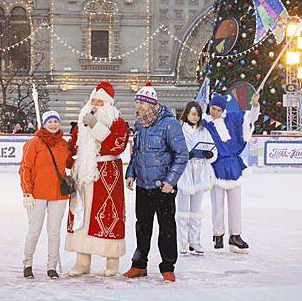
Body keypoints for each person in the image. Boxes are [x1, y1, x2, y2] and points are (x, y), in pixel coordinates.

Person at [124, 82, 188, 283]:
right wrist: (131, 173)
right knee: (142, 227)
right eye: (138, 102)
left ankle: (167, 266)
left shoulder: (170, 124)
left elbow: (182, 154)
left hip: (163, 187)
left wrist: (170, 181)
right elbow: (136, 154)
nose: (139, 106)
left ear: (152, 104)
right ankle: (139, 265)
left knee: (166, 227)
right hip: (143, 185)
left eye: (142, 102)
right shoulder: (139, 124)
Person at [65, 81, 129, 277]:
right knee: (83, 214)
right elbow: (73, 144)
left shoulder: (117, 121)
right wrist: (66, 158)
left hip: (107, 172)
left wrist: (97, 127)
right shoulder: (82, 119)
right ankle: (82, 260)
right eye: (93, 100)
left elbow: (117, 145)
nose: (94, 104)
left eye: (99, 102)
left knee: (107, 215)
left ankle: (112, 261)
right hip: (84, 171)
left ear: (108, 104)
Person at [203, 92, 260, 254]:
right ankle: (218, 233)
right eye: (213, 108)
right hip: (216, 167)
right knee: (217, 203)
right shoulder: (205, 124)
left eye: (218, 110)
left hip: (234, 166)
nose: (215, 112)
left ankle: (235, 235)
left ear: (223, 110)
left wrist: (255, 104)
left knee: (235, 203)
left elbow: (251, 118)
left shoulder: (233, 119)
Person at [19, 110, 70, 279]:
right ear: (44, 123)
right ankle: (28, 264)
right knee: (34, 230)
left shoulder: (63, 144)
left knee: (54, 231)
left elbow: (70, 162)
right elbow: (25, 168)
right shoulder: (34, 143)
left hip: (59, 194)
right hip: (37, 194)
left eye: (56, 121)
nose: (53, 124)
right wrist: (27, 192)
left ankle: (51, 266)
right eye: (50, 122)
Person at [176, 101, 217, 255]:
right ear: (187, 113)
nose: (196, 117)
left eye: (198, 114)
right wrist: (187, 155)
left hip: (200, 172)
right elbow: (174, 149)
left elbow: (212, 148)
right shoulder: (179, 130)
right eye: (193, 114)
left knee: (196, 211)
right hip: (184, 172)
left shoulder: (204, 131)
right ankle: (183, 242)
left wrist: (210, 154)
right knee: (183, 211)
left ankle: (195, 240)